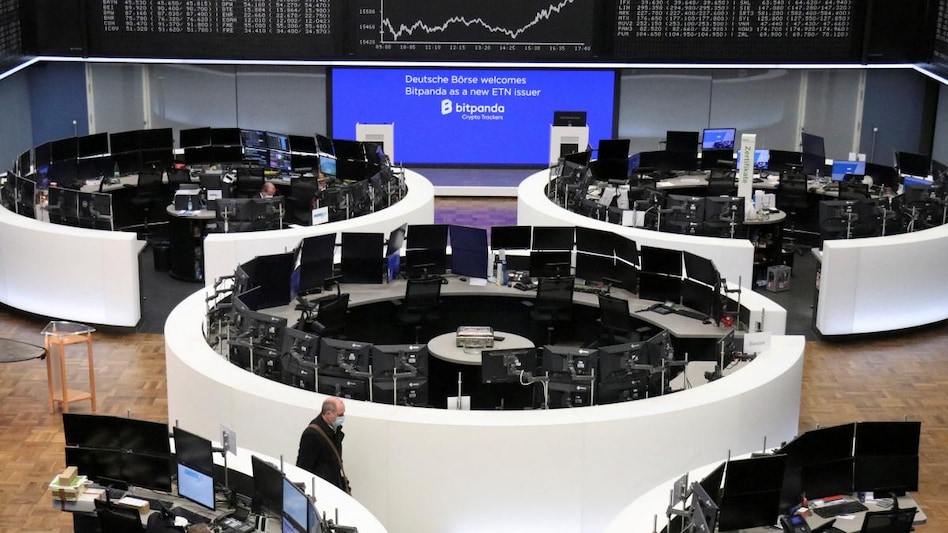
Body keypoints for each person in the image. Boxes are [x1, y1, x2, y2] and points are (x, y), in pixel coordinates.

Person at [296, 396, 350, 493]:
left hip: (332, 485)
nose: (342, 417)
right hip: (321, 489)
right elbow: (304, 467)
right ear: (328, 413)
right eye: (340, 415)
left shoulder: (334, 429)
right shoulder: (312, 435)